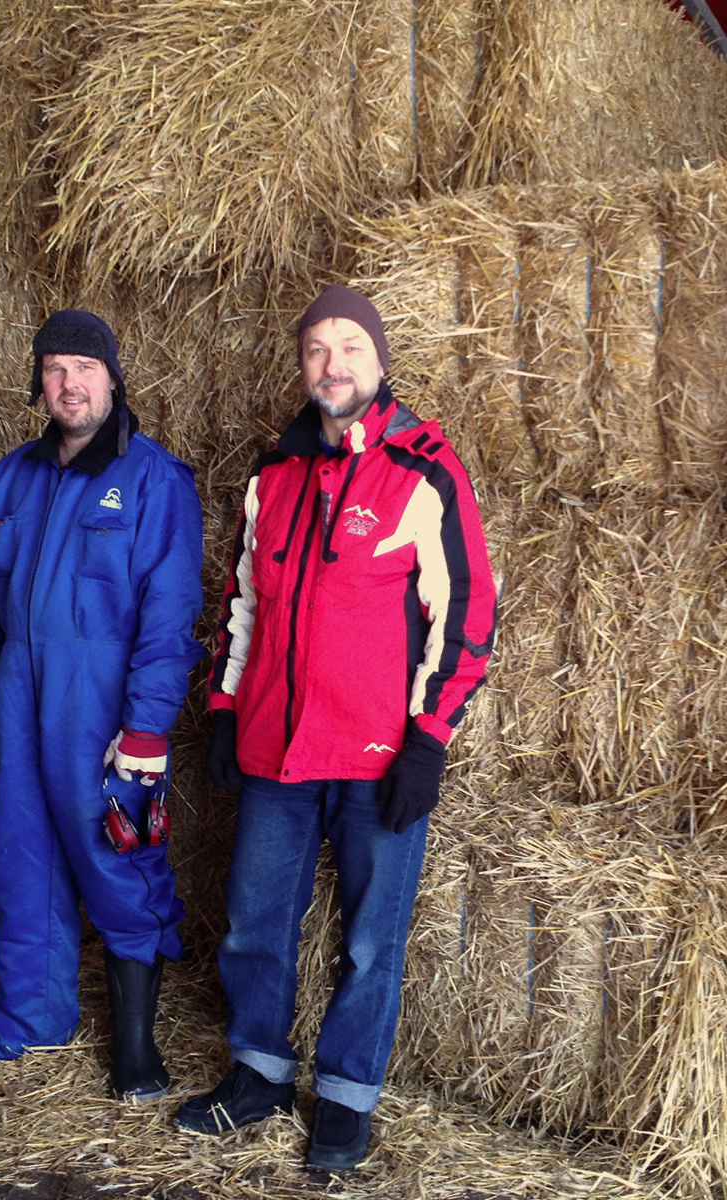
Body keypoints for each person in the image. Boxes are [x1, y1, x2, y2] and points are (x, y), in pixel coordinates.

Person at [177, 285, 496, 1170]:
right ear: (303, 364)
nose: (333, 364)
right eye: (317, 349)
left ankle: (348, 1099)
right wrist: (227, 708)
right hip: (278, 746)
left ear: (380, 360)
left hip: (376, 753)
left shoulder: (425, 469)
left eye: (350, 346)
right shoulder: (272, 478)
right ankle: (259, 1073)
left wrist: (428, 738)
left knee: (368, 938)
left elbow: (466, 612)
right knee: (253, 920)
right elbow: (244, 603)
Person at [0, 309, 205, 1103]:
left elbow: (169, 617)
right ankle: (30, 1019)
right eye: (55, 370)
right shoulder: (13, 476)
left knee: (119, 861)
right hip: (22, 708)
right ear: (38, 383)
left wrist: (148, 726)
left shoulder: (154, 480)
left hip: (102, 715)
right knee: (22, 866)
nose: (70, 384)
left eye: (84, 368)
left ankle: (134, 1047)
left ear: (113, 377)